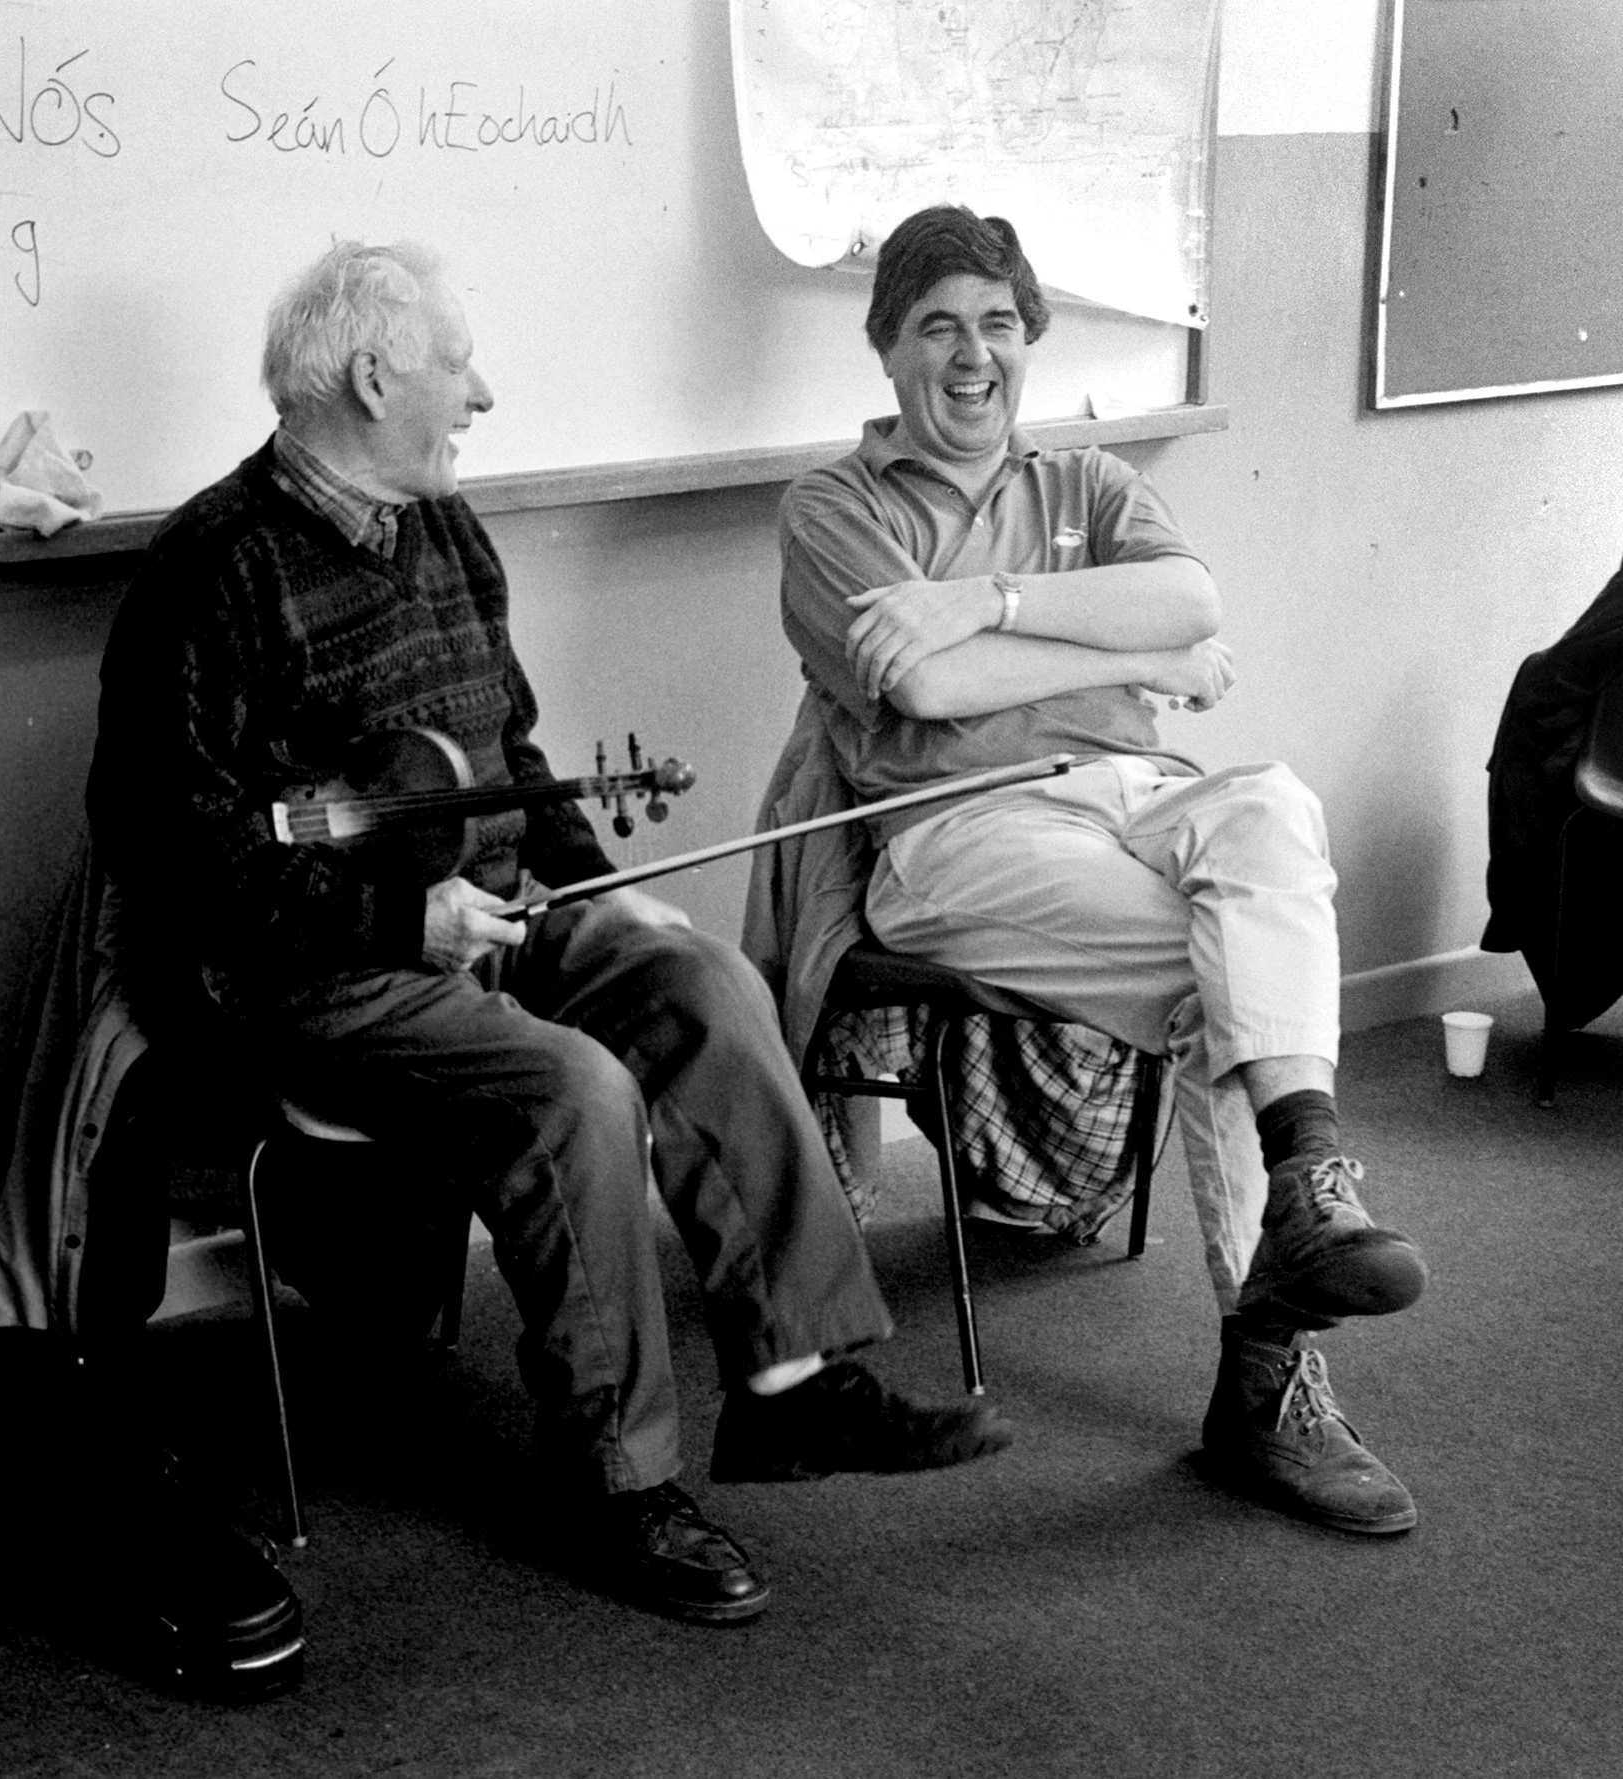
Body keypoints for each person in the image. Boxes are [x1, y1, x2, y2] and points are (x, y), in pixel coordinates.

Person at [84, 237, 1011, 1627]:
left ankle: (788, 1384)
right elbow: (169, 852)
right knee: (573, 1084)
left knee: (697, 976)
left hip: (491, 917)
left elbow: (509, 755)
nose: (484, 397)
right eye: (460, 369)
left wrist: (589, 888)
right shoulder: (208, 571)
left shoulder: (443, 528)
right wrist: (400, 910)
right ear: (373, 373)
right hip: (309, 971)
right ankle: (617, 1478)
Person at [772, 204, 1429, 1535]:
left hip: (1138, 797)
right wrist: (1128, 655)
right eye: (937, 326)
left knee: (1269, 811)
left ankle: (1305, 1181)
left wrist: (987, 600)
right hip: (956, 832)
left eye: (998, 324)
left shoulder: (1086, 484)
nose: (972, 356)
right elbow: (923, 685)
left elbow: (1192, 606)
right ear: (884, 349)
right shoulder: (833, 508)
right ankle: (1267, 1384)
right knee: (1226, 979)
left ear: (1031, 339)